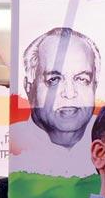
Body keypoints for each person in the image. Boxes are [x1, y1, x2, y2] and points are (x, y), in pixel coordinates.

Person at [10, 27, 100, 177]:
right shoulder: (14, 144)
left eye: (82, 79)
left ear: (95, 85)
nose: (70, 93)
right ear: (29, 87)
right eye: (54, 80)